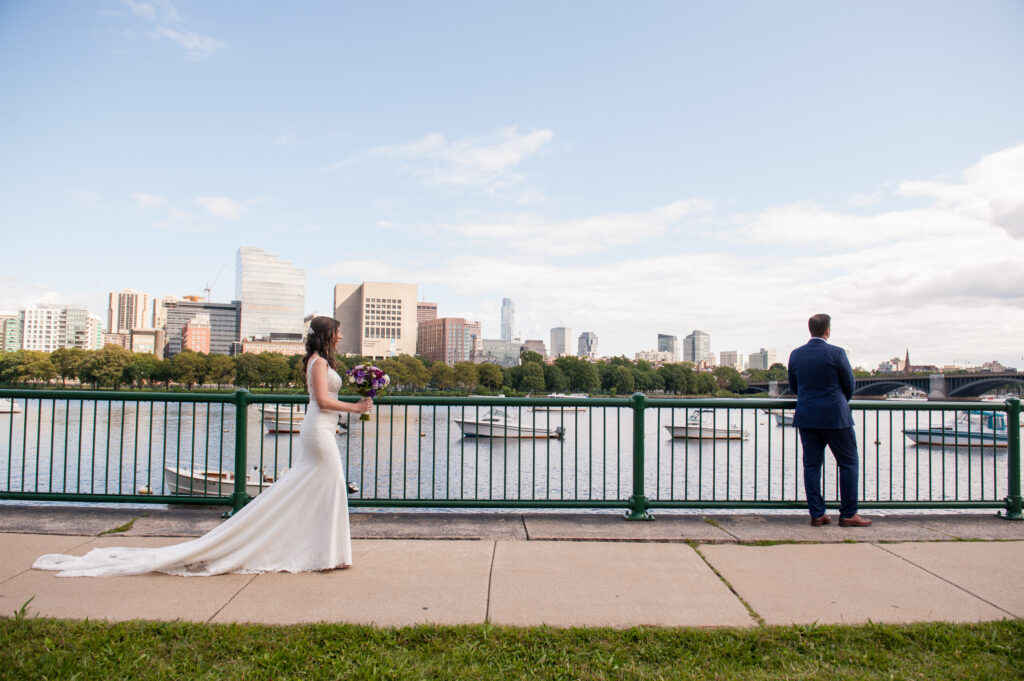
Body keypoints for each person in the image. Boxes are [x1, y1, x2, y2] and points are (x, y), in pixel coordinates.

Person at [33, 316, 373, 576]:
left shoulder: (324, 362)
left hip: (324, 431)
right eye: (338, 332)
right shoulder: (317, 362)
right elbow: (324, 401)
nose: (341, 336)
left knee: (321, 489)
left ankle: (329, 552)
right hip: (319, 431)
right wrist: (356, 408)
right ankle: (325, 554)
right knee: (326, 487)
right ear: (327, 335)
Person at [788, 313, 871, 527]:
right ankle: (848, 514)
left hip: (807, 416)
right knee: (848, 463)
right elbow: (849, 385)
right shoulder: (836, 353)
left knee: (812, 466)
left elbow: (795, 387)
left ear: (811, 330)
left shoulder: (796, 355)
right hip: (836, 417)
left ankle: (817, 513)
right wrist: (838, 401)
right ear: (827, 330)